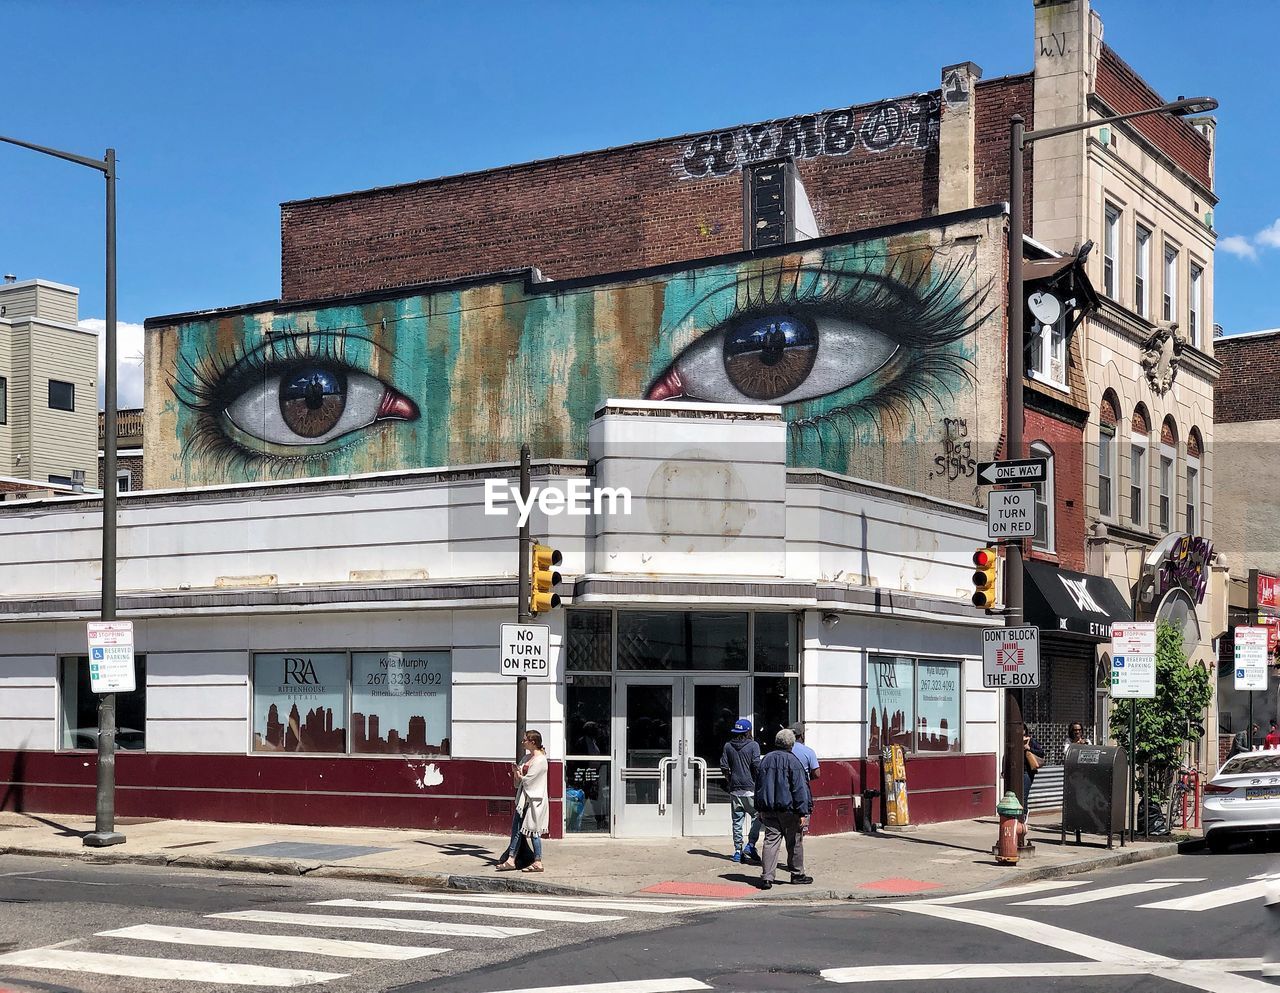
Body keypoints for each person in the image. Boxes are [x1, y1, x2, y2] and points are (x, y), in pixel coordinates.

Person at [753, 727, 813, 889]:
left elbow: (759, 786)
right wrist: (803, 811)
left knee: (770, 842)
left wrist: (759, 808)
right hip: (789, 810)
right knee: (794, 842)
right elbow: (800, 788)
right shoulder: (794, 761)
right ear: (791, 744)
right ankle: (797, 874)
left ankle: (767, 877)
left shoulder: (766, 760)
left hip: (769, 808)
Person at [496, 729, 548, 873]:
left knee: (534, 831)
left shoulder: (541, 760)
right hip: (522, 801)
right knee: (516, 829)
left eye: (525, 740)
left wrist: (519, 774)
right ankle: (511, 859)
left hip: (534, 801)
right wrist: (516, 773)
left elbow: (530, 780)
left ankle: (538, 861)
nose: (523, 742)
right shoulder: (526, 758)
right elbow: (520, 781)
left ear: (533, 742)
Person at [719, 718, 762, 863]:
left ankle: (737, 850)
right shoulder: (753, 746)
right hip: (751, 788)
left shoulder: (728, 746)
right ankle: (750, 844)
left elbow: (724, 767)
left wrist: (729, 780)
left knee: (737, 820)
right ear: (748, 731)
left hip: (735, 789)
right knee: (758, 816)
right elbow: (756, 765)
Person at [1021, 723, 1046, 827]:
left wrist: (1028, 748)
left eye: (1022, 729)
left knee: (1024, 795)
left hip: (1027, 772)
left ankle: (1024, 814)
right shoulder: (1013, 741)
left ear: (1025, 730)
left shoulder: (1030, 741)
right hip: (1017, 771)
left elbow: (1041, 753)